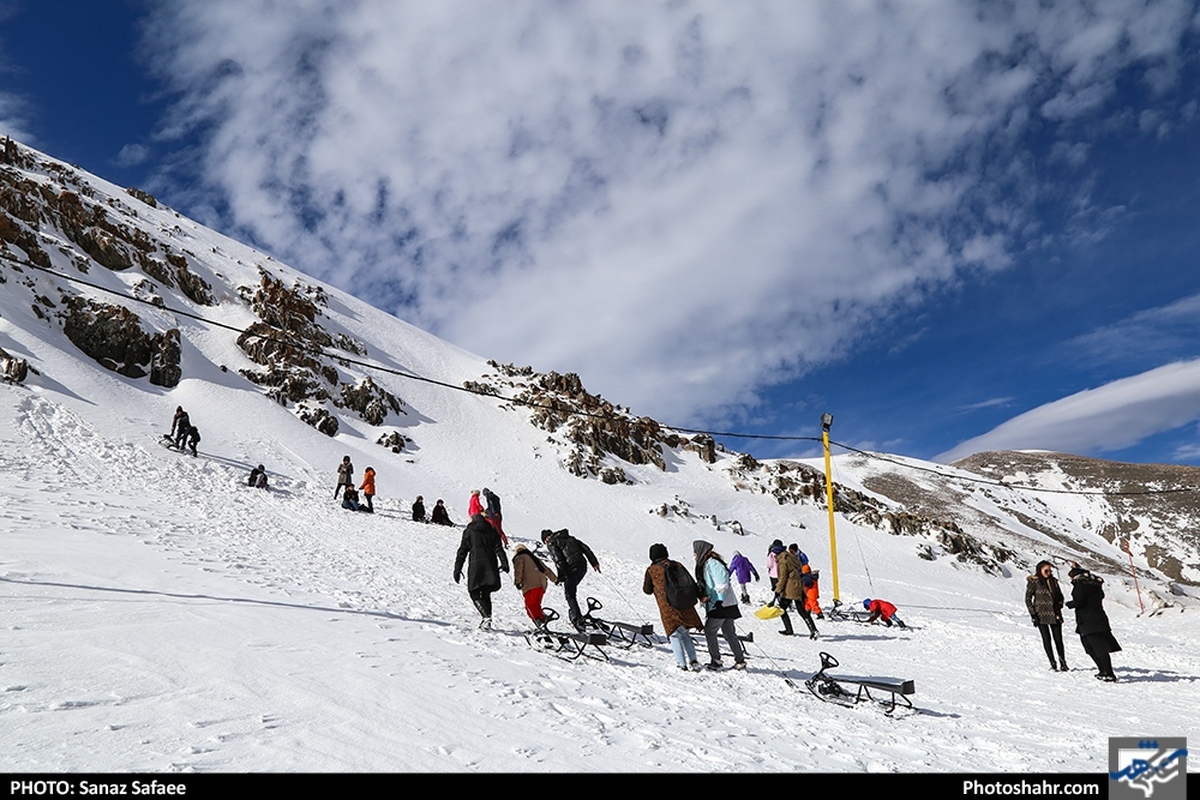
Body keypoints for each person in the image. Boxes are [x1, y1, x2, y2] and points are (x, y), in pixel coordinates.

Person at [642, 543, 703, 671]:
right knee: (685, 633)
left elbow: (647, 590)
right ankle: (694, 660)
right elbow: (691, 582)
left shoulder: (652, 570)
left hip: (668, 607)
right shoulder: (677, 564)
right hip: (685, 604)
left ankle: (682, 664)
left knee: (674, 635)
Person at [694, 540, 746, 670]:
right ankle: (740, 661)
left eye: (695, 552)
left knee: (710, 631)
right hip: (725, 604)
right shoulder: (708, 563)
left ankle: (716, 660)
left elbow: (722, 583)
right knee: (729, 633)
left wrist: (719, 600)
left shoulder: (713, 564)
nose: (694, 555)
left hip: (720, 604)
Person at [1065, 563, 1121, 682]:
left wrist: (1069, 604)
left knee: (1096, 648)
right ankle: (1103, 671)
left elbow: (1079, 601)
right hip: (1097, 619)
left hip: (1088, 621)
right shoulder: (1094, 585)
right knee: (1094, 647)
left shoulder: (1080, 585)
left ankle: (1108, 672)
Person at [454, 513, 509, 629]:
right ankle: (487, 620)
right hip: (490, 564)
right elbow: (499, 549)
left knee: (473, 591)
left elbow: (462, 551)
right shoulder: (492, 531)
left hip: (476, 565)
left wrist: (457, 569)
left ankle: (485, 617)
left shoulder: (469, 531)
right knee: (486, 592)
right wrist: (504, 563)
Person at [542, 528, 601, 632]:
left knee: (569, 594)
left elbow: (559, 561)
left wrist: (561, 577)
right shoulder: (569, 538)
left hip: (571, 568)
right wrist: (594, 562)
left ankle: (578, 619)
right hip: (582, 566)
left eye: (545, 542)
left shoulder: (552, 542)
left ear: (547, 538)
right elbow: (586, 549)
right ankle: (574, 613)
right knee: (571, 590)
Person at [1026, 560, 1068, 672]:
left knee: (1058, 639)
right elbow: (1028, 599)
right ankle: (1053, 663)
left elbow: (1060, 596)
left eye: (1050, 570)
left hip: (1055, 613)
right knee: (1046, 639)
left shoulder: (1053, 581)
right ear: (1040, 570)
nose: (1049, 572)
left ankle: (1063, 662)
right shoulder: (1033, 582)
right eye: (1046, 570)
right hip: (1041, 614)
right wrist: (1033, 614)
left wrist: (1059, 604)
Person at [773, 543, 819, 639]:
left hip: (790, 588)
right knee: (801, 610)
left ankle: (789, 630)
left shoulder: (783, 561)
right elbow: (799, 565)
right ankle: (813, 630)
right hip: (799, 585)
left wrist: (778, 589)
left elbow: (783, 577)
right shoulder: (790, 556)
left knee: (781, 609)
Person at [512, 544, 557, 628]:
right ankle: (542, 621)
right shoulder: (534, 558)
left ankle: (539, 623)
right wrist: (554, 579)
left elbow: (518, 570)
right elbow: (546, 569)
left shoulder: (519, 557)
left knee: (530, 607)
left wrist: (518, 582)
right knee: (537, 605)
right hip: (542, 585)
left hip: (531, 585)